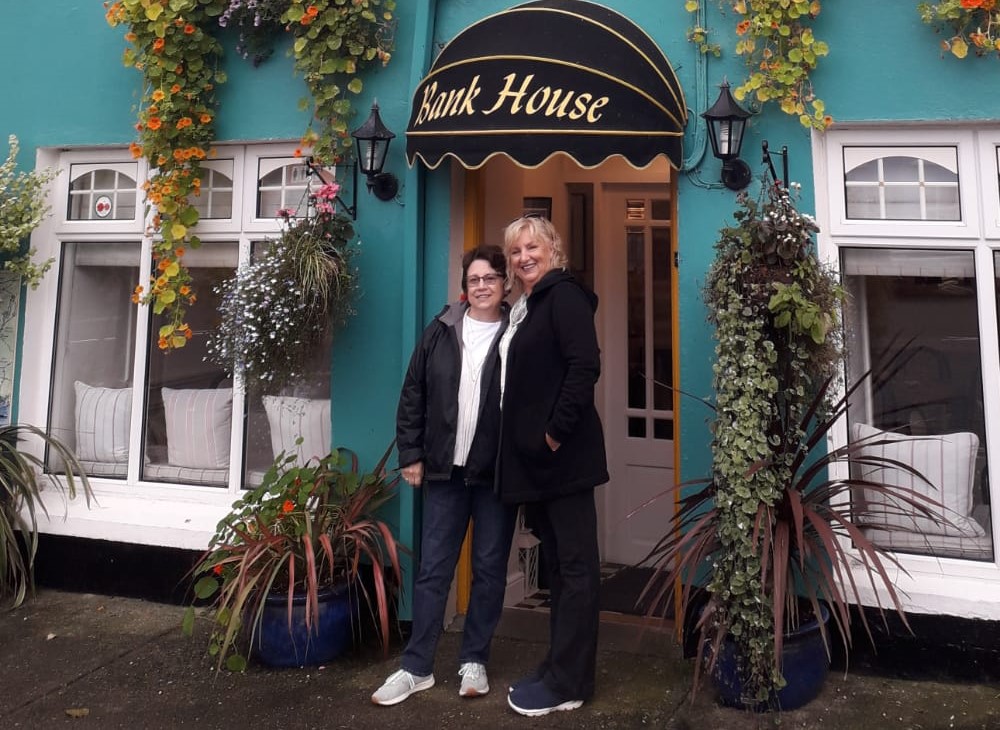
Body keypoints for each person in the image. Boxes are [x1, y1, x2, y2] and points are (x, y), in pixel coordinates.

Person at [371, 245, 517, 707]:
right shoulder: (441, 330)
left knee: (490, 571)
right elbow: (413, 391)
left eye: (490, 278)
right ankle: (417, 668)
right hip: (446, 473)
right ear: (464, 285)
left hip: (496, 475)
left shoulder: (519, 330)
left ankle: (474, 660)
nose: (482, 286)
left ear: (504, 283)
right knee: (434, 570)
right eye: (474, 279)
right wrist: (411, 454)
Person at [498, 216, 609, 718]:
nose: (524, 256)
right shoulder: (528, 304)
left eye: (533, 247)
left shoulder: (563, 297)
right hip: (541, 464)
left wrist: (553, 433)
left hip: (565, 457)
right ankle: (557, 668)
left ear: (553, 251)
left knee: (578, 570)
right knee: (561, 570)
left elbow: (585, 365)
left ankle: (570, 682)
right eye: (516, 250)